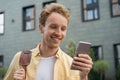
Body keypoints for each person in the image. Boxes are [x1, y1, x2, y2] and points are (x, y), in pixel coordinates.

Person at [4, 3, 93, 80]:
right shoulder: (20, 58)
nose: (58, 33)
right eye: (53, 27)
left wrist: (83, 76)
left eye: (63, 29)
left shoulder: (71, 64)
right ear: (41, 28)